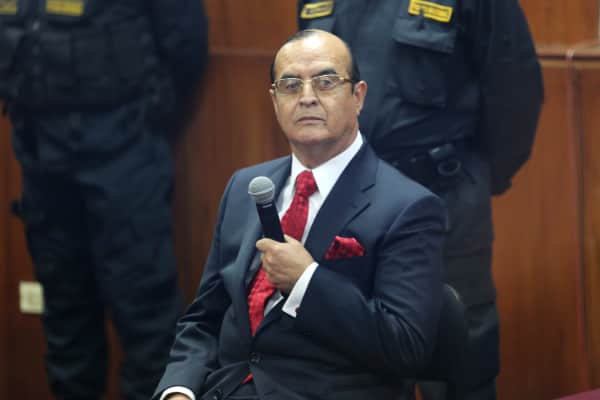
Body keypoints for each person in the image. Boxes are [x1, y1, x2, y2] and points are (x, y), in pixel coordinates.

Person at [153, 29, 446, 400]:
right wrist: (179, 389)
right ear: (275, 101)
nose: (307, 97)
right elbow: (205, 317)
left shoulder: (408, 207)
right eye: (290, 86)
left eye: (326, 82)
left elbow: (406, 347)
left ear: (358, 97)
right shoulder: (245, 187)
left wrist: (307, 282)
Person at [297, 1, 544, 399]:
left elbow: (515, 88)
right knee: (353, 362)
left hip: (443, 194)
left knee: (459, 359)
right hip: (347, 200)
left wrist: (479, 177)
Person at [0, 1, 209, 399]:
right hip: (41, 157)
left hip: (123, 152)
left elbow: (185, 40)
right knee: (63, 316)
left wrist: (150, 112)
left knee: (146, 316)